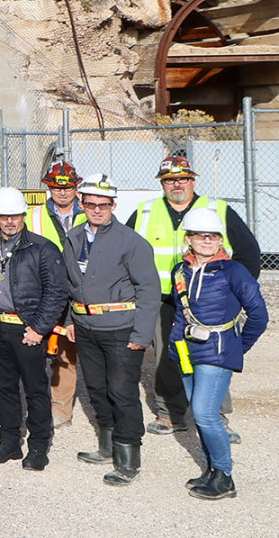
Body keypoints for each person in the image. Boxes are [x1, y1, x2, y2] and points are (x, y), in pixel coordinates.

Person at [125, 154, 261, 439]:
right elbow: (124, 252)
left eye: (183, 178)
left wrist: (234, 293)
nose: (177, 184)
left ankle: (218, 416)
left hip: (210, 300)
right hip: (163, 300)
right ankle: (170, 412)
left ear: (192, 180)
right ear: (162, 183)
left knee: (214, 358)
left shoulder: (217, 209)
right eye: (170, 179)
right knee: (167, 356)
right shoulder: (144, 212)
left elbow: (249, 252)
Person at [62, 174, 159, 487]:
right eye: (91, 204)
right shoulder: (73, 237)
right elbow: (68, 285)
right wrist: (67, 321)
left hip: (120, 329)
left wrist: (141, 336)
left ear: (113, 205)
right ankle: (106, 446)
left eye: (104, 205)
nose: (97, 210)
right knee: (96, 389)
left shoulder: (131, 242)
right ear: (81, 203)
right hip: (86, 328)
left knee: (122, 391)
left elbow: (148, 290)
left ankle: (129, 458)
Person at [168, 208, 269, 500]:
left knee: (206, 413)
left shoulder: (233, 271)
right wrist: (176, 346)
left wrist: (238, 346)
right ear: (189, 239)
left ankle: (225, 477)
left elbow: (258, 316)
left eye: (213, 236)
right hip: (187, 351)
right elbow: (179, 314)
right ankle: (211, 469)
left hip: (217, 352)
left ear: (220, 240)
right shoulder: (181, 270)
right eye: (201, 236)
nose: (208, 241)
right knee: (198, 414)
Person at [0, 188, 69, 472]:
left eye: (14, 215)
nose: (9, 221)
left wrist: (38, 328)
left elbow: (56, 292)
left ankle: (38, 446)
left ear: (23, 215)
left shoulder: (42, 248)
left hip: (28, 330)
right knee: (5, 387)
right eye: (3, 216)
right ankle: (10, 442)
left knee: (36, 389)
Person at [26, 161, 86, 429]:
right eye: (56, 187)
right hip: (42, 292)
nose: (62, 192)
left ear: (76, 187)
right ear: (48, 187)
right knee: (38, 350)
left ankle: (61, 410)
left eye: (68, 187)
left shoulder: (89, 213)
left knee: (67, 351)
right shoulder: (32, 215)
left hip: (79, 290)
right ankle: (38, 404)